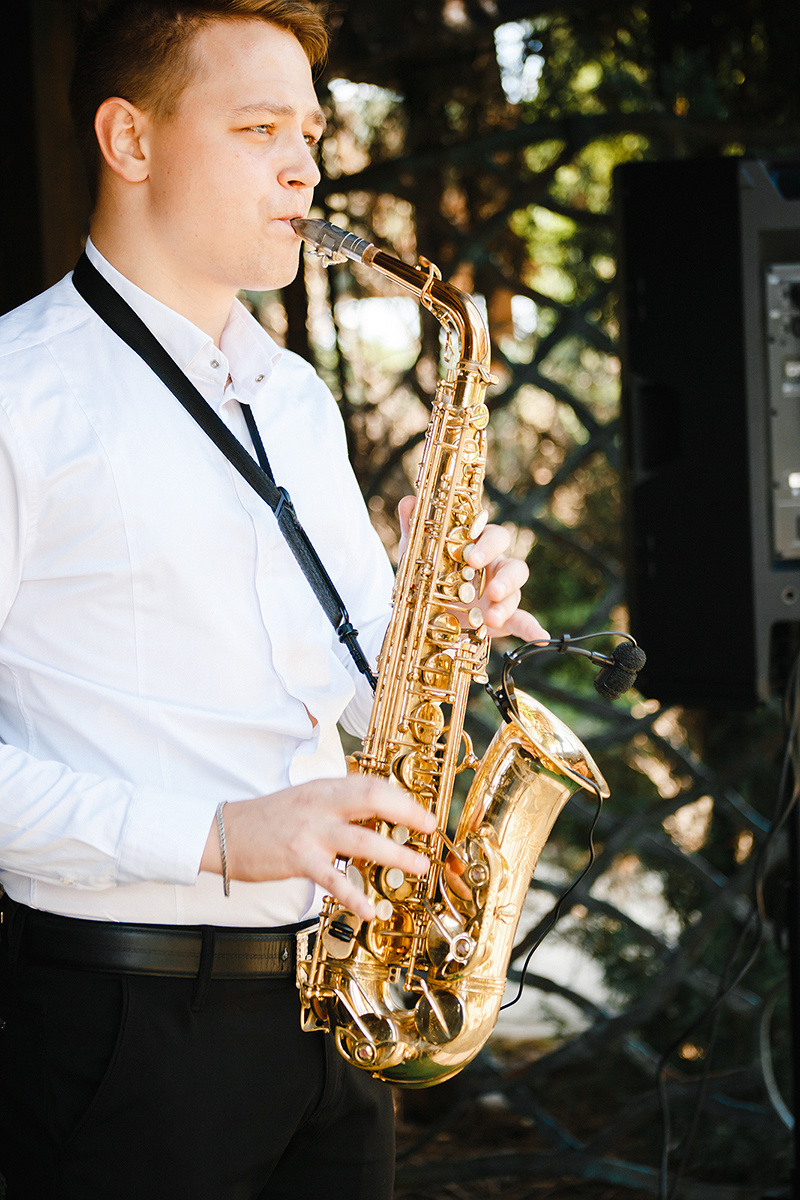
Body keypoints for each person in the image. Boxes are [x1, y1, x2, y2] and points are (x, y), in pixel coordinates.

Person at [0, 2, 547, 1197]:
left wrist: (443, 614)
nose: (304, 163)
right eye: (257, 127)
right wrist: (218, 837)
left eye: (306, 128)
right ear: (129, 141)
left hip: (333, 1006)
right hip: (124, 1028)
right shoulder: (17, 398)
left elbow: (359, 676)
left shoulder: (290, 396)